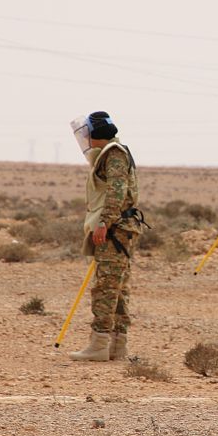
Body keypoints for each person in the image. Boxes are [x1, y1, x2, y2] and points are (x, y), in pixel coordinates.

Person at [67, 111, 146, 362]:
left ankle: (100, 344)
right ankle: (116, 346)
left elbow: (116, 192)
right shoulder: (114, 152)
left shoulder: (113, 154)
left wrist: (104, 222)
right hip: (121, 228)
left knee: (106, 288)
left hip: (115, 230)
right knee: (118, 288)